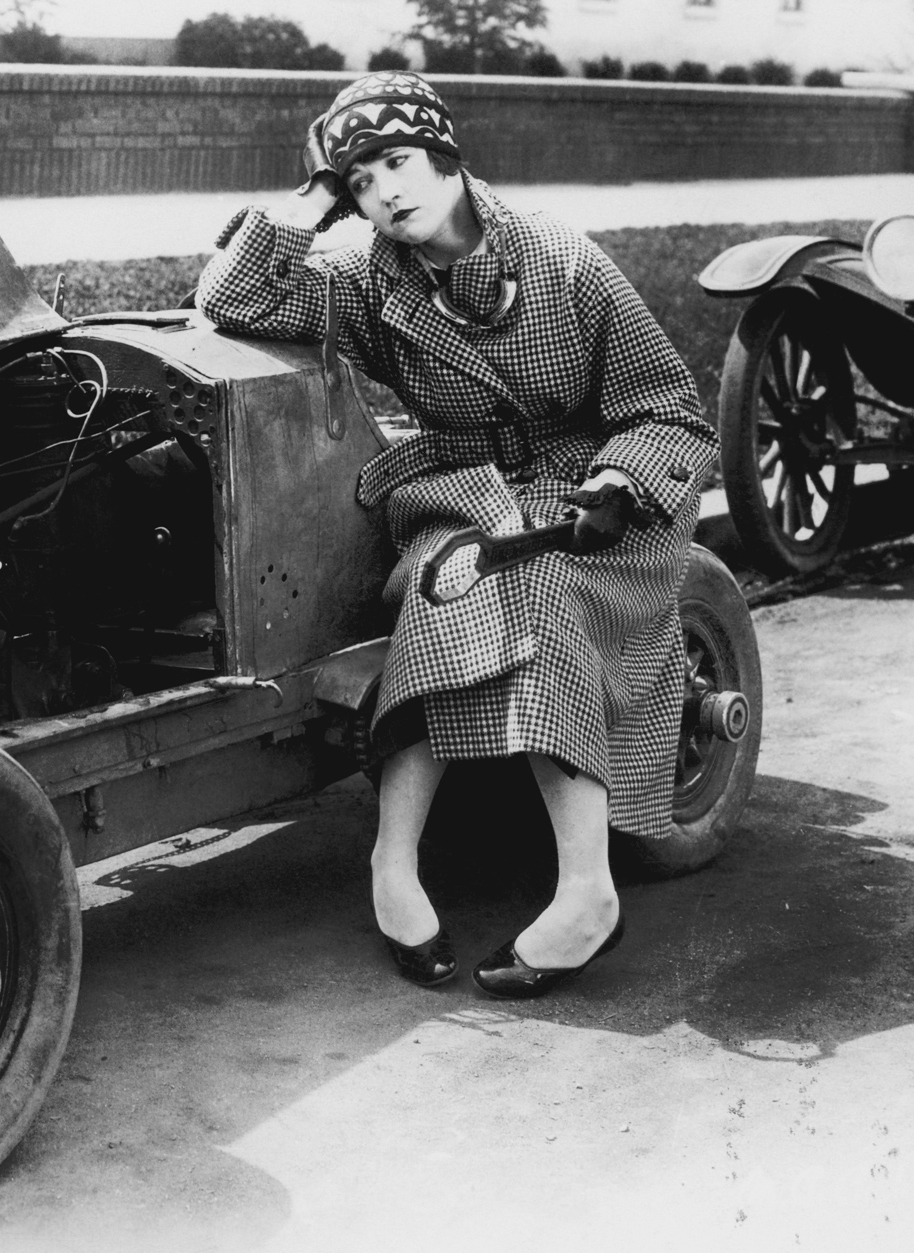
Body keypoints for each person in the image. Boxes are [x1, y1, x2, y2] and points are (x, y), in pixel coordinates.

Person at [196, 72, 716, 998]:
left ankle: (588, 892)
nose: (384, 192)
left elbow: (670, 408)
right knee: (444, 587)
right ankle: (392, 865)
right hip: (466, 493)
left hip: (596, 503)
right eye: (361, 183)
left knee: (547, 598)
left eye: (397, 163)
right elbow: (231, 299)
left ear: (446, 156)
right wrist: (315, 194)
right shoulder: (366, 278)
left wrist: (618, 480)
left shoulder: (565, 263)